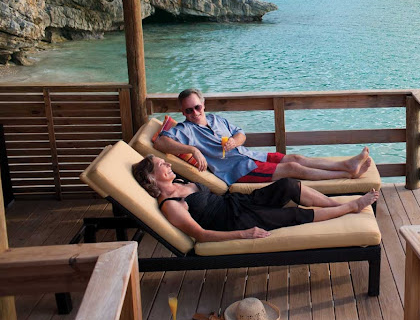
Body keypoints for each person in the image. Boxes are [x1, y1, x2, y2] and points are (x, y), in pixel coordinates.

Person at [132, 155, 379, 242]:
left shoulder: (179, 183)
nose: (167, 163)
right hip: (236, 221)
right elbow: (201, 235)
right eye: (161, 164)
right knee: (293, 215)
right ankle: (350, 206)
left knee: (287, 185)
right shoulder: (171, 206)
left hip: (237, 203)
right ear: (152, 179)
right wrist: (245, 234)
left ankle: (338, 204)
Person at [153, 88, 373, 185]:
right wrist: (192, 149)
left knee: (295, 158)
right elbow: (161, 141)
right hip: (237, 170)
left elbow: (241, 134)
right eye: (189, 110)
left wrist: (234, 141)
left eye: (197, 107)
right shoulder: (184, 131)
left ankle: (347, 164)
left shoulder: (215, 119)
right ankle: (347, 176)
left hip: (249, 155)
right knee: (294, 170)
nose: (194, 113)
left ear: (204, 104)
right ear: (183, 113)